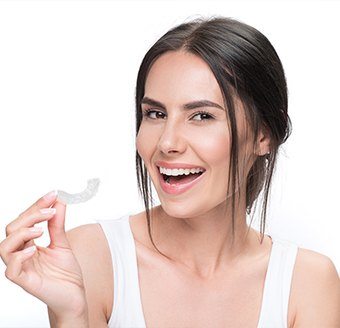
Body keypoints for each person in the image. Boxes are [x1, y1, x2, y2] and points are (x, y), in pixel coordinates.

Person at [1, 16, 339, 328]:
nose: (167, 142)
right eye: (155, 114)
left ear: (263, 135)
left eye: (202, 116)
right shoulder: (92, 257)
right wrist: (70, 315)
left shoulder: (306, 282)